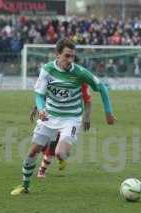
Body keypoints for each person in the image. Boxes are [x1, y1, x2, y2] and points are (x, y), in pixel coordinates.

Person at [11, 38, 116, 195]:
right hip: (49, 116)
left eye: (72, 56)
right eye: (67, 56)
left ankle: (63, 153)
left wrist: (108, 113)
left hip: (71, 119)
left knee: (60, 152)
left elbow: (102, 88)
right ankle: (25, 186)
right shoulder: (47, 70)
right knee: (33, 152)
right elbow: (39, 94)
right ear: (57, 55)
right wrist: (41, 109)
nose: (70, 60)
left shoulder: (80, 73)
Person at [30, 83, 92, 179]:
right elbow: (46, 93)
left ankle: (42, 170)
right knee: (42, 145)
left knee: (54, 145)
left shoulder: (78, 79)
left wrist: (87, 116)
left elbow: (87, 98)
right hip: (50, 117)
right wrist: (36, 107)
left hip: (68, 119)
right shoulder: (54, 77)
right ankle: (62, 156)